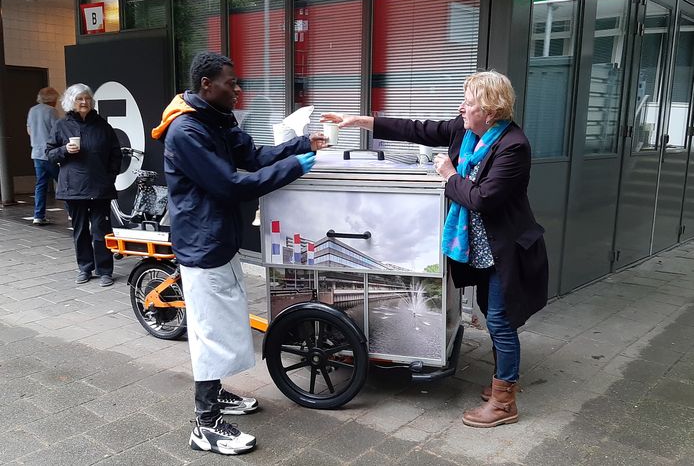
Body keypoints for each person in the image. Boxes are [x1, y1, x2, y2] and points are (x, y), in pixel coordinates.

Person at [321, 70, 549, 428]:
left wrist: (448, 174)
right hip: (484, 250)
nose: (461, 108)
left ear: (489, 111)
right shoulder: (466, 131)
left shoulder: (513, 146)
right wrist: (358, 120)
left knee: (502, 323)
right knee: (493, 317)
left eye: (469, 103)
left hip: (506, 251)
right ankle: (503, 380)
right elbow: (415, 128)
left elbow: (482, 200)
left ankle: (505, 402)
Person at [151, 51, 328, 456]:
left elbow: (250, 157)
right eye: (230, 83)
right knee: (211, 331)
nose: (238, 89)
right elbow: (229, 184)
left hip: (219, 237)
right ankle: (205, 423)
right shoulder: (185, 132)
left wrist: (300, 144)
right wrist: (295, 168)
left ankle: (217, 393)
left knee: (226, 322)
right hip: (202, 243)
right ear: (206, 85)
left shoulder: (216, 118)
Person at [46, 84, 122, 287]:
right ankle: (85, 268)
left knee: (101, 230)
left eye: (87, 98)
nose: (84, 102)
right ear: (71, 102)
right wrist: (64, 149)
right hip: (73, 187)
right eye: (79, 99)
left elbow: (116, 153)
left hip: (100, 187)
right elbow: (50, 154)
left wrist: (110, 176)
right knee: (80, 231)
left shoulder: (102, 126)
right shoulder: (61, 126)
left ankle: (105, 270)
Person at [26, 87, 61, 225]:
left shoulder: (32, 110)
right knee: (64, 183)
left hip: (36, 153)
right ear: (52, 99)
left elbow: (29, 130)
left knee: (40, 185)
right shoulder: (52, 111)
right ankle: (72, 213)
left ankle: (38, 215)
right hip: (50, 153)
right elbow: (57, 131)